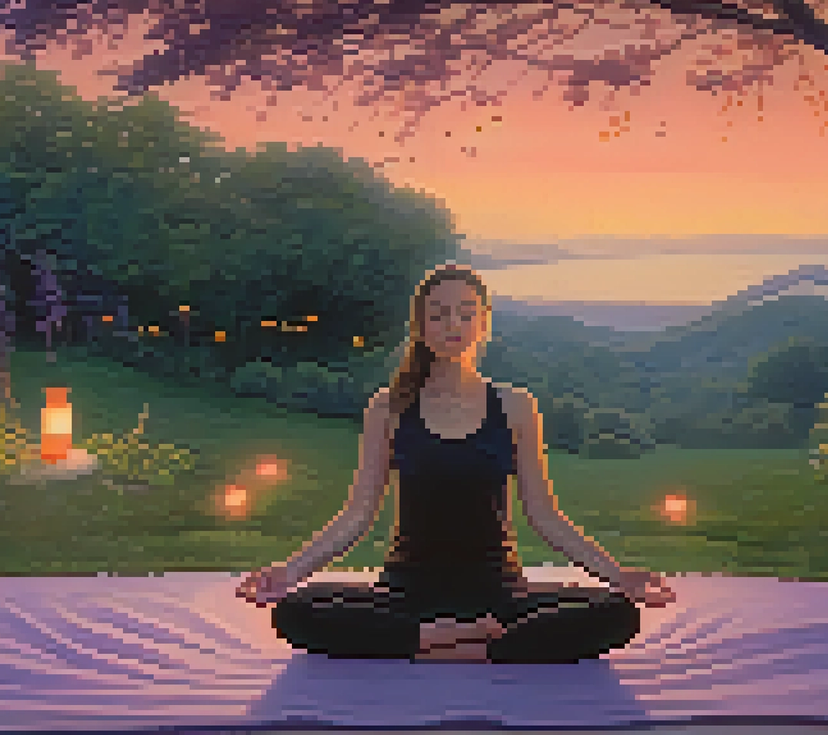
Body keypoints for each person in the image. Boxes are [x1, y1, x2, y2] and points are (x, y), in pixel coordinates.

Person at [236, 263, 676, 663]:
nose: (453, 324)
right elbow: (357, 516)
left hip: (499, 592)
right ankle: (471, 642)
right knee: (295, 612)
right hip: (406, 590)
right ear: (420, 326)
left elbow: (545, 517)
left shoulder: (516, 407)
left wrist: (620, 576)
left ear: (483, 323)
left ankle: (434, 643)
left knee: (617, 614)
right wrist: (289, 571)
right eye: (439, 314)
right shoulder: (388, 408)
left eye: (466, 313)